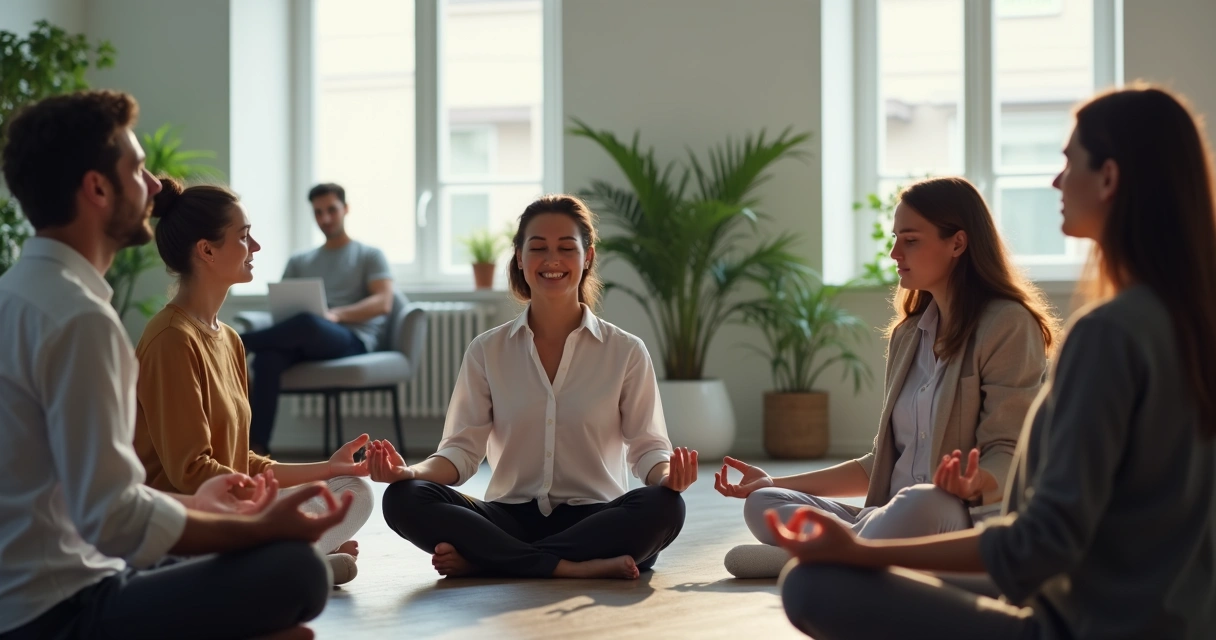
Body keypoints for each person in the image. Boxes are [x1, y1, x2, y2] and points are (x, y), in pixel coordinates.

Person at [771, 85, 1216, 639]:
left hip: (1077, 624)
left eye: (1066, 161)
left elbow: (1040, 542)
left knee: (811, 585)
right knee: (824, 557)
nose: (1055, 181)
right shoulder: (1191, 323)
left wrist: (863, 555)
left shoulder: (1107, 333)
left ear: (1108, 178)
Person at [0, 90, 354, 640]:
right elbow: (112, 520)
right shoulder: (79, 319)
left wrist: (199, 505)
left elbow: (87, 495)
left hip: (48, 589)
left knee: (287, 569)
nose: (155, 186)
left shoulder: (18, 294)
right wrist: (256, 528)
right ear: (96, 188)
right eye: (137, 169)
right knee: (298, 572)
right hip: (60, 610)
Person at [716, 176, 1057, 578]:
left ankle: (830, 552)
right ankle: (856, 549)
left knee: (920, 502)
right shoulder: (908, 334)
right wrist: (772, 480)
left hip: (949, 514)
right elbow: (879, 462)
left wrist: (973, 483)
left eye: (910, 240)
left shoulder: (1008, 324)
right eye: (896, 238)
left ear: (958, 243)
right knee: (763, 503)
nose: (895, 252)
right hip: (886, 516)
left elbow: (1009, 450)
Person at [367, 194, 696, 579]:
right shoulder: (487, 350)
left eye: (566, 248)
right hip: (507, 516)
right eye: (537, 248)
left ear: (587, 257)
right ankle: (567, 567)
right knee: (403, 499)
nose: (551, 260)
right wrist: (410, 473)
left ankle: (492, 560)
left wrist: (668, 476)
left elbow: (647, 449)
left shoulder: (626, 351)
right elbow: (460, 451)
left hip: (595, 517)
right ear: (520, 258)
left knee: (666, 507)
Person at [131, 178, 376, 585]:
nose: (256, 247)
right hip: (190, 519)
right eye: (244, 237)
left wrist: (324, 468)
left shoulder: (229, 340)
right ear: (206, 250)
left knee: (353, 489)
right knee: (309, 509)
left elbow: (241, 460)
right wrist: (268, 510)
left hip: (235, 503)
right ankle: (286, 564)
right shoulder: (171, 339)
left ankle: (283, 561)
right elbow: (191, 474)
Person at [241, 182, 393, 454]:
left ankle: (239, 343)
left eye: (331, 210)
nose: (325, 218)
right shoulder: (301, 260)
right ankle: (257, 450)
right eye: (318, 212)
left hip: (351, 339)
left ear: (345, 209)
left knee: (309, 323)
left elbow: (384, 302)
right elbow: (283, 304)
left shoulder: (369, 254)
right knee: (267, 360)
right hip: (305, 341)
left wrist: (335, 315)